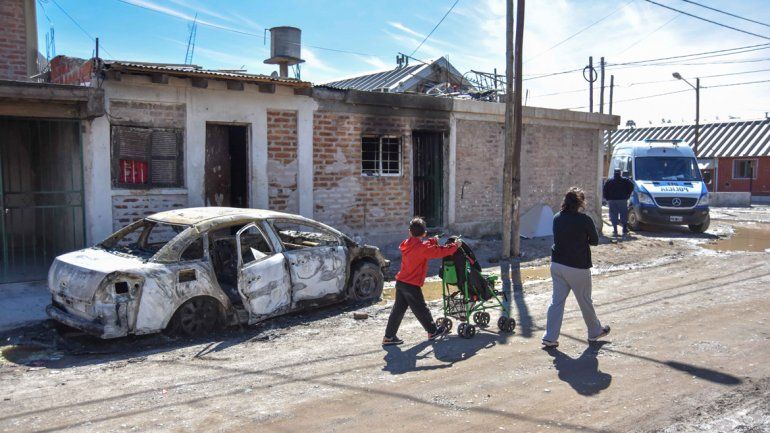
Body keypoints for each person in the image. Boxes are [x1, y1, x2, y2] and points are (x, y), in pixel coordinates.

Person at [542, 187, 610, 348]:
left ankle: (549, 337)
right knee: (585, 301)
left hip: (557, 264)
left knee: (556, 302)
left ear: (565, 201)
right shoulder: (584, 220)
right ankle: (594, 331)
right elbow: (594, 241)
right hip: (578, 266)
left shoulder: (557, 218)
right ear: (580, 203)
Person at [383, 217, 461, 346]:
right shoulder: (423, 248)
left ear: (409, 232)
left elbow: (422, 245)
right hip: (411, 285)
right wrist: (455, 246)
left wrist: (433, 240)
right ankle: (432, 331)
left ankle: (389, 337)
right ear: (424, 233)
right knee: (421, 309)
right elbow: (440, 251)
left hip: (401, 282)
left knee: (398, 310)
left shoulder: (407, 243)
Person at [603, 169, 635, 236]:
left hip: (612, 200)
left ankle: (615, 230)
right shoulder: (625, 180)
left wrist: (607, 198)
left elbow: (605, 190)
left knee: (613, 215)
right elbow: (632, 186)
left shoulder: (609, 181)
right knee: (623, 214)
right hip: (622, 200)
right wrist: (628, 194)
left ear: (614, 173)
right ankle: (624, 229)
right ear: (620, 173)